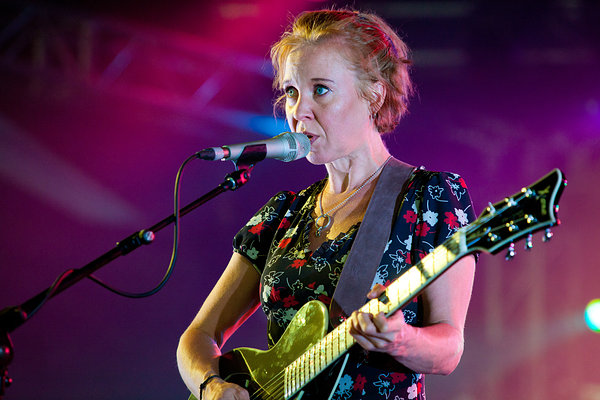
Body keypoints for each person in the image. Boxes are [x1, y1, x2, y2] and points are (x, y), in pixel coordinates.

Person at [177, 8, 476, 400]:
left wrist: (400, 339)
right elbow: (198, 335)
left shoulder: (429, 198)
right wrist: (211, 385)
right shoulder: (281, 214)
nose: (299, 112)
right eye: (291, 92)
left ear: (373, 94)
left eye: (321, 89)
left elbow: (449, 348)